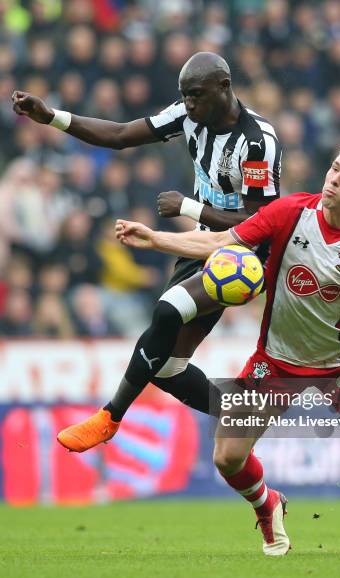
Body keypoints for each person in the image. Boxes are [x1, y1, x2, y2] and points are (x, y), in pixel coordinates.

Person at [114, 138, 340, 556]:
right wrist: (156, 239)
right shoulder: (291, 212)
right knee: (227, 457)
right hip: (275, 361)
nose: (335, 178)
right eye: (335, 168)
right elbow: (223, 241)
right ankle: (267, 505)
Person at [12, 52, 282, 451]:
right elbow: (120, 136)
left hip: (246, 255)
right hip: (202, 245)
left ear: (224, 88)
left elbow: (260, 220)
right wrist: (52, 117)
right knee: (167, 368)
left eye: (196, 96)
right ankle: (241, 411)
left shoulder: (257, 141)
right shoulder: (189, 115)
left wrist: (186, 207)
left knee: (168, 309)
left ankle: (110, 417)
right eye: (185, 96)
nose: (189, 104)